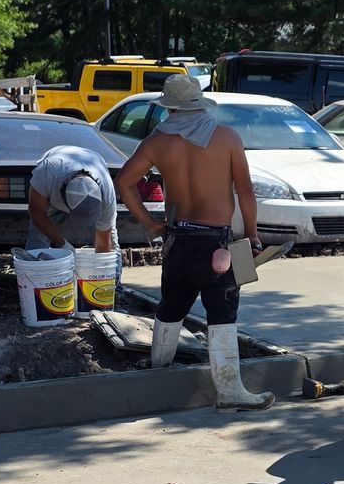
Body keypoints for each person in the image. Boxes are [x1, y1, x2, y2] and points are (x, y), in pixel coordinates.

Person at [115, 73, 274, 412]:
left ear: (169, 107)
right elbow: (245, 191)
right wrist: (252, 234)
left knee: (171, 308)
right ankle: (230, 390)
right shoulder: (226, 138)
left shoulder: (157, 142)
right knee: (222, 314)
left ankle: (159, 373)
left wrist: (149, 223)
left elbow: (124, 182)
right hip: (215, 242)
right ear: (199, 104)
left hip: (177, 240)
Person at [26, 145, 119, 252]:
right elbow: (36, 212)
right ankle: (34, 263)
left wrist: (103, 264)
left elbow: (103, 244)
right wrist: (62, 244)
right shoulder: (47, 172)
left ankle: (115, 268)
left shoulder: (107, 194)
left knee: (111, 246)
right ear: (64, 203)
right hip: (53, 183)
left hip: (92, 160)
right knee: (38, 238)